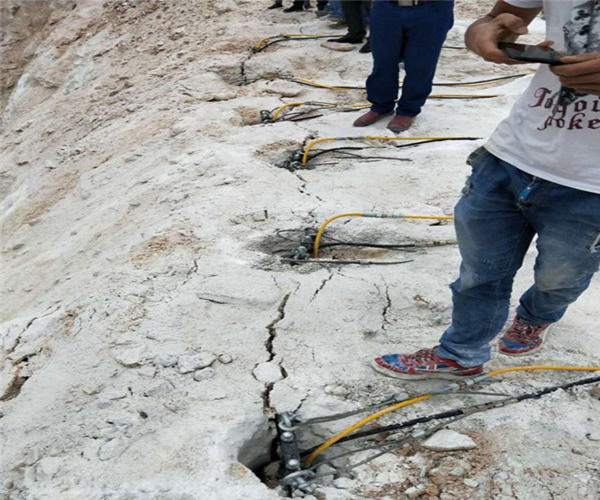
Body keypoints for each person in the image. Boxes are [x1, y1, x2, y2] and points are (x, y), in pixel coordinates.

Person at [372, 0, 600, 380]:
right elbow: (497, 19)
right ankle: (461, 352)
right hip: (511, 154)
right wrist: (485, 33)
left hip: (592, 185)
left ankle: (536, 316)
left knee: (558, 279)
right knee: (480, 272)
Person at [353, 0, 455, 132]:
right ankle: (381, 106)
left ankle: (408, 110)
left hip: (431, 8)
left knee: (420, 63)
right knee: (383, 60)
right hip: (386, 7)